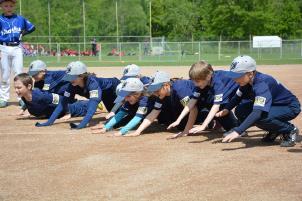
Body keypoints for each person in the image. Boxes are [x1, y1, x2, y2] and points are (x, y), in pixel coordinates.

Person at [219, 55, 301, 147]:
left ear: (250, 74)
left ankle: (290, 129)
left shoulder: (261, 84)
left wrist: (238, 131)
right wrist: (226, 109)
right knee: (241, 110)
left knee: (260, 117)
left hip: (289, 107)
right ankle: (275, 129)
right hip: (273, 106)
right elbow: (237, 97)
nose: (235, 79)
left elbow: (257, 113)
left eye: (238, 76)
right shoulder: (246, 82)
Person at [35, 61, 120, 129]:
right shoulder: (72, 85)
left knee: (121, 115)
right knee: (113, 115)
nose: (69, 80)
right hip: (105, 96)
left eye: (72, 77)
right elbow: (62, 103)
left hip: (116, 92)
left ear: (81, 76)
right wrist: (48, 122)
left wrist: (81, 125)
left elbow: (92, 107)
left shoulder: (93, 83)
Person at [167, 60, 239, 139]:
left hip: (240, 87)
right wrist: (178, 120)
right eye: (193, 81)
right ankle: (230, 126)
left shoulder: (217, 82)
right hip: (230, 91)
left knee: (239, 110)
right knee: (209, 101)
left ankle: (237, 129)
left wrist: (203, 126)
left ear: (208, 77)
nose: (195, 84)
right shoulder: (201, 84)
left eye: (197, 81)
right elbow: (191, 103)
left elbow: (216, 106)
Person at [125, 71, 197, 137]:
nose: (154, 93)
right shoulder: (161, 95)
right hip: (186, 108)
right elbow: (154, 113)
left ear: (166, 85)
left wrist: (186, 131)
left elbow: (193, 109)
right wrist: (138, 131)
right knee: (180, 126)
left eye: (156, 90)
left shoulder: (179, 88)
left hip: (202, 106)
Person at [0, 0, 35, 108]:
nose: (8, 7)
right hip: (3, 47)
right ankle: (4, 98)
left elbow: (32, 27)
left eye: (11, 5)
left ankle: (21, 98)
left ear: (14, 6)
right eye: (5, 6)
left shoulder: (20, 19)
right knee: (5, 73)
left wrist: (23, 32)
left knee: (18, 72)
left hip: (17, 47)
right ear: (1, 7)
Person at [14, 73, 89, 119]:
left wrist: (68, 113)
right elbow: (31, 102)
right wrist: (23, 110)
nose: (16, 90)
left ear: (29, 86)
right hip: (54, 113)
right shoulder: (24, 96)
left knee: (88, 107)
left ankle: (95, 103)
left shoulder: (41, 96)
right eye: (15, 88)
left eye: (19, 88)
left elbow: (60, 99)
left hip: (70, 109)